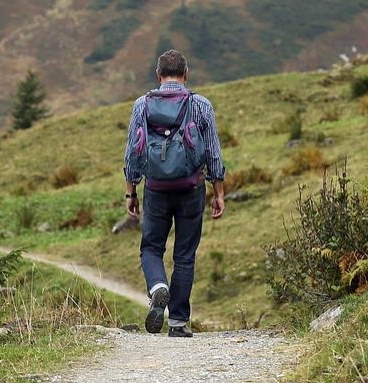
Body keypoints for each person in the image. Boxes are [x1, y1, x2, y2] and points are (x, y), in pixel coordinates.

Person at [124, 49, 225, 337]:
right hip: (191, 188)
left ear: (158, 75)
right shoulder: (201, 105)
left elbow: (133, 151)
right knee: (185, 254)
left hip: (155, 188)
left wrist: (131, 192)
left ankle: (158, 287)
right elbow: (213, 153)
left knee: (151, 248)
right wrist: (218, 191)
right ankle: (178, 322)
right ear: (186, 74)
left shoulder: (141, 105)